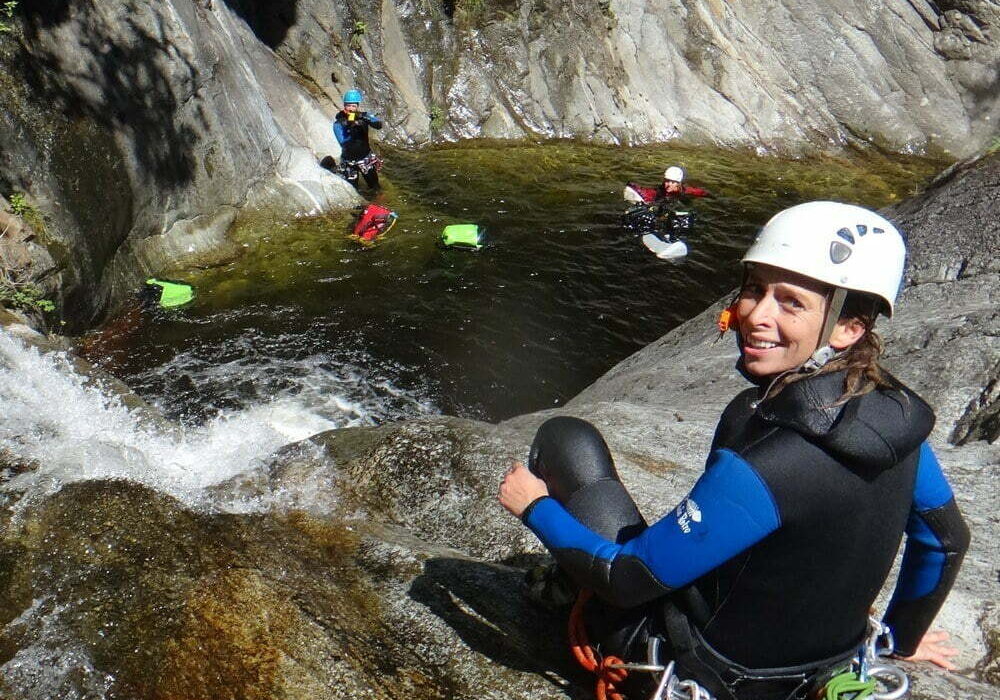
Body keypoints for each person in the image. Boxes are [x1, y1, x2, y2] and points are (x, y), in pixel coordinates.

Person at [499, 201, 970, 700]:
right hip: (820, 673)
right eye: (754, 289)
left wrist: (536, 508)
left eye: (791, 302)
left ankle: (561, 589)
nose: (755, 316)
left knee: (567, 440)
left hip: (689, 671)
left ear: (848, 328)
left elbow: (627, 579)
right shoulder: (893, 425)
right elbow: (946, 542)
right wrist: (900, 639)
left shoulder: (767, 459)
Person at [333, 88, 383, 191]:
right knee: (352, 189)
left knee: (375, 186)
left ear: (357, 106)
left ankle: (379, 200)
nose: (351, 108)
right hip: (349, 161)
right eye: (348, 105)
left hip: (365, 158)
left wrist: (364, 119)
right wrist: (350, 128)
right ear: (344, 106)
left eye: (353, 106)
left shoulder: (363, 116)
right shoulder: (339, 123)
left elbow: (379, 125)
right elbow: (343, 143)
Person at [625, 165, 710, 205]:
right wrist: (634, 189)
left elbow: (703, 193)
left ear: (678, 183)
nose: (668, 185)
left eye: (672, 182)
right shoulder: (659, 192)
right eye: (666, 181)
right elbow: (646, 193)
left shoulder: (687, 191)